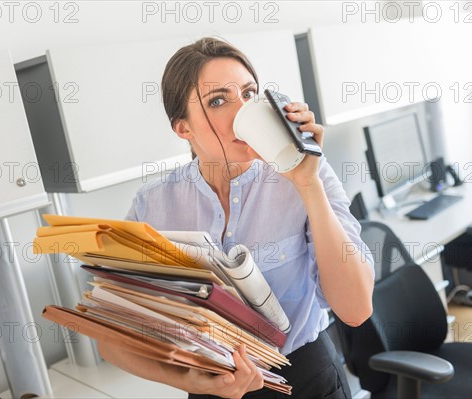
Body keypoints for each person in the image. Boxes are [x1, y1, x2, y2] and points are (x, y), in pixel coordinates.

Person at [97, 37, 375, 399]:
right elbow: (111, 338)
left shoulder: (307, 175)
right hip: (212, 388)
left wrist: (307, 184)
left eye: (249, 94)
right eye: (218, 101)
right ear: (184, 129)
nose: (243, 111)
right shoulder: (154, 205)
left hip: (306, 380)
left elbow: (355, 310)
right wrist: (189, 381)